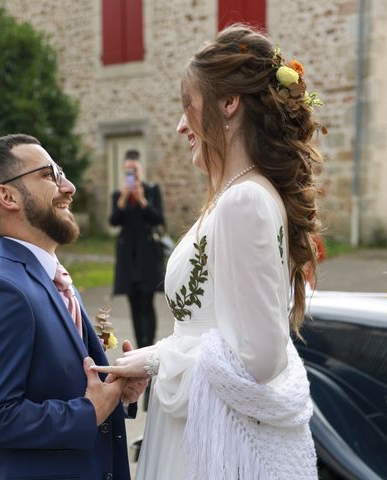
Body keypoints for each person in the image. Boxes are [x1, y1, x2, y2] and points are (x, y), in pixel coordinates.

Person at [93, 25, 320, 479]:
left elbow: (258, 358)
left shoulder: (246, 200)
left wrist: (157, 360)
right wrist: (153, 358)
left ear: (229, 104)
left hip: (217, 447)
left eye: (187, 106)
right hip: (198, 423)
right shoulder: (235, 195)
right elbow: (213, 328)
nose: (181, 125)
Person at [0, 134, 145, 480]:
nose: (68, 187)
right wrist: (87, 412)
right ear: (7, 196)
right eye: (49, 175)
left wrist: (115, 392)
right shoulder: (0, 291)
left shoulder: (49, 277)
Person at [110, 149, 165, 348]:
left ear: (140, 170)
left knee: (147, 303)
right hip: (128, 258)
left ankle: (149, 345)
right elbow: (114, 221)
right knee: (133, 304)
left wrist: (142, 201)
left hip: (147, 256)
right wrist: (123, 199)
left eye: (134, 169)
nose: (131, 174)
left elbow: (159, 218)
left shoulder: (151, 190)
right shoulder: (118, 195)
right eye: (127, 171)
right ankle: (138, 345)